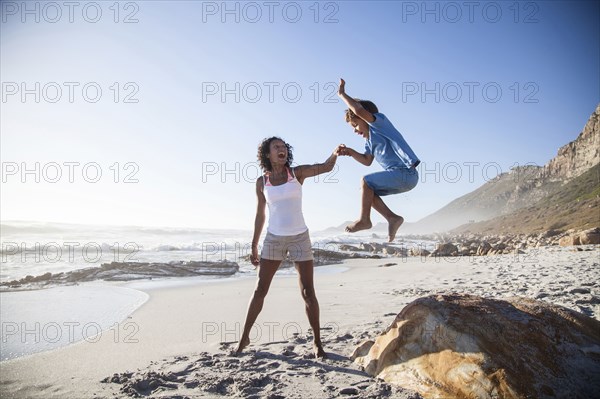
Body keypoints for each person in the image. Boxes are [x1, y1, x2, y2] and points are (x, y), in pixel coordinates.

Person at [235, 136, 339, 358]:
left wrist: (336, 152)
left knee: (307, 292)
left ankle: (317, 343)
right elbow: (260, 214)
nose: (281, 150)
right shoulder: (262, 182)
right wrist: (254, 245)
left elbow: (327, 167)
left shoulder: (297, 173)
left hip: (300, 237)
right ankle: (244, 337)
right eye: (276, 147)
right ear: (267, 154)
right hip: (274, 239)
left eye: (283, 147)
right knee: (259, 290)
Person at [336, 78, 420, 242]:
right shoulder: (369, 141)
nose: (355, 130)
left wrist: (342, 94)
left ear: (365, 117)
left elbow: (359, 110)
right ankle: (392, 218)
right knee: (366, 191)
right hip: (401, 177)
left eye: (355, 125)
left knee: (365, 181)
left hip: (406, 173)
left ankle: (364, 220)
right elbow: (367, 161)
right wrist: (351, 152)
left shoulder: (379, 124)